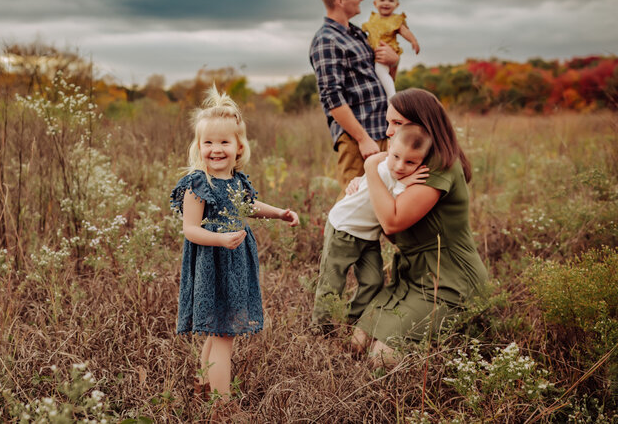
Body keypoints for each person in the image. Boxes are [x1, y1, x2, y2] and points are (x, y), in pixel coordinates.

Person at [170, 86, 299, 417]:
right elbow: (190, 229)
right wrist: (221, 240)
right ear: (198, 147)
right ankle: (223, 406)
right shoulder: (198, 184)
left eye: (224, 142)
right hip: (212, 262)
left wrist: (280, 212)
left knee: (218, 332)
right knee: (224, 333)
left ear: (239, 146)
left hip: (234, 263)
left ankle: (201, 386)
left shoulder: (237, 181)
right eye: (208, 142)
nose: (216, 149)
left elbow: (249, 206)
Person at [349, 88, 489, 368]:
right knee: (357, 342)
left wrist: (369, 168)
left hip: (448, 279)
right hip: (411, 275)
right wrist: (360, 187)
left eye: (397, 123)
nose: (388, 131)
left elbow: (391, 220)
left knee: (381, 358)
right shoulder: (404, 160)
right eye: (388, 123)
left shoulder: (439, 166)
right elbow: (386, 226)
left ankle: (455, 346)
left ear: (424, 125)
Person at [311, 124, 431, 332]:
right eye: (396, 156)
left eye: (410, 162)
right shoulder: (383, 169)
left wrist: (406, 182)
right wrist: (406, 182)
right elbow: (392, 203)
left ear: (422, 162)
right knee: (332, 281)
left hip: (368, 236)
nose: (400, 166)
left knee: (374, 280)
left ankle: (351, 318)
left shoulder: (397, 173)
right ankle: (321, 328)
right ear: (390, 147)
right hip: (344, 228)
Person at [309, 0, 400, 202]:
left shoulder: (358, 33)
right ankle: (337, 239)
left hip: (381, 129)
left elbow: (382, 81)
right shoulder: (327, 40)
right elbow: (332, 98)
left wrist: (393, 62)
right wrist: (362, 139)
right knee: (353, 200)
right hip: (357, 136)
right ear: (340, 0)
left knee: (380, 199)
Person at [361, 0, 420, 99]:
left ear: (397, 5)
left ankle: (391, 96)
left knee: (381, 72)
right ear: (375, 3)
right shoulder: (373, 18)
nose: (386, 3)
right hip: (374, 51)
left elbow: (404, 31)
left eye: (391, 1)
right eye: (382, 0)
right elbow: (369, 33)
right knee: (377, 72)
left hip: (386, 52)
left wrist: (413, 41)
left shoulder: (395, 20)